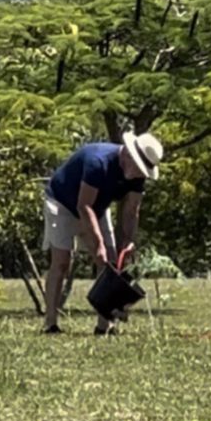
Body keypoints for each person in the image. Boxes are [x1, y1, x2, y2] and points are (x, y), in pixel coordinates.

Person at [41, 132, 164, 335]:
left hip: (96, 207)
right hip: (62, 203)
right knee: (62, 261)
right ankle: (50, 324)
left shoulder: (136, 177)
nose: (138, 174)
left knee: (111, 262)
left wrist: (129, 240)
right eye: (138, 168)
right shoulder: (98, 162)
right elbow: (84, 205)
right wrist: (97, 244)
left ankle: (104, 326)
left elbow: (132, 210)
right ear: (127, 155)